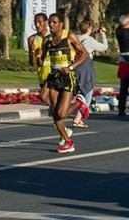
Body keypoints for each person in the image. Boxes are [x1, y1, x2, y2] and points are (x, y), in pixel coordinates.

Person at [40, 13, 88, 153]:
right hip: (54, 76)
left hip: (67, 77)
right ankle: (68, 141)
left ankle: (79, 103)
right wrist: (36, 54)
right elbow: (41, 59)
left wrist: (71, 67)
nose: (51, 25)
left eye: (54, 22)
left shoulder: (69, 36)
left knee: (60, 113)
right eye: (50, 22)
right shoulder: (48, 40)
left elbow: (84, 54)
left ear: (61, 24)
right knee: (54, 111)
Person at [72, 18, 108, 127]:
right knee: (88, 93)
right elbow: (104, 47)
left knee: (83, 91)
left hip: (76, 66)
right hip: (86, 66)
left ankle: (79, 118)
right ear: (88, 29)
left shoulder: (76, 38)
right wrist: (103, 35)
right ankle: (77, 119)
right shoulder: (90, 41)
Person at [28, 12, 54, 112]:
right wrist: (32, 54)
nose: (37, 25)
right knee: (50, 101)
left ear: (46, 22)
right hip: (42, 75)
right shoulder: (32, 39)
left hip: (54, 73)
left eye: (40, 22)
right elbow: (32, 64)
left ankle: (60, 111)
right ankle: (61, 112)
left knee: (43, 96)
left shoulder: (53, 37)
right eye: (35, 22)